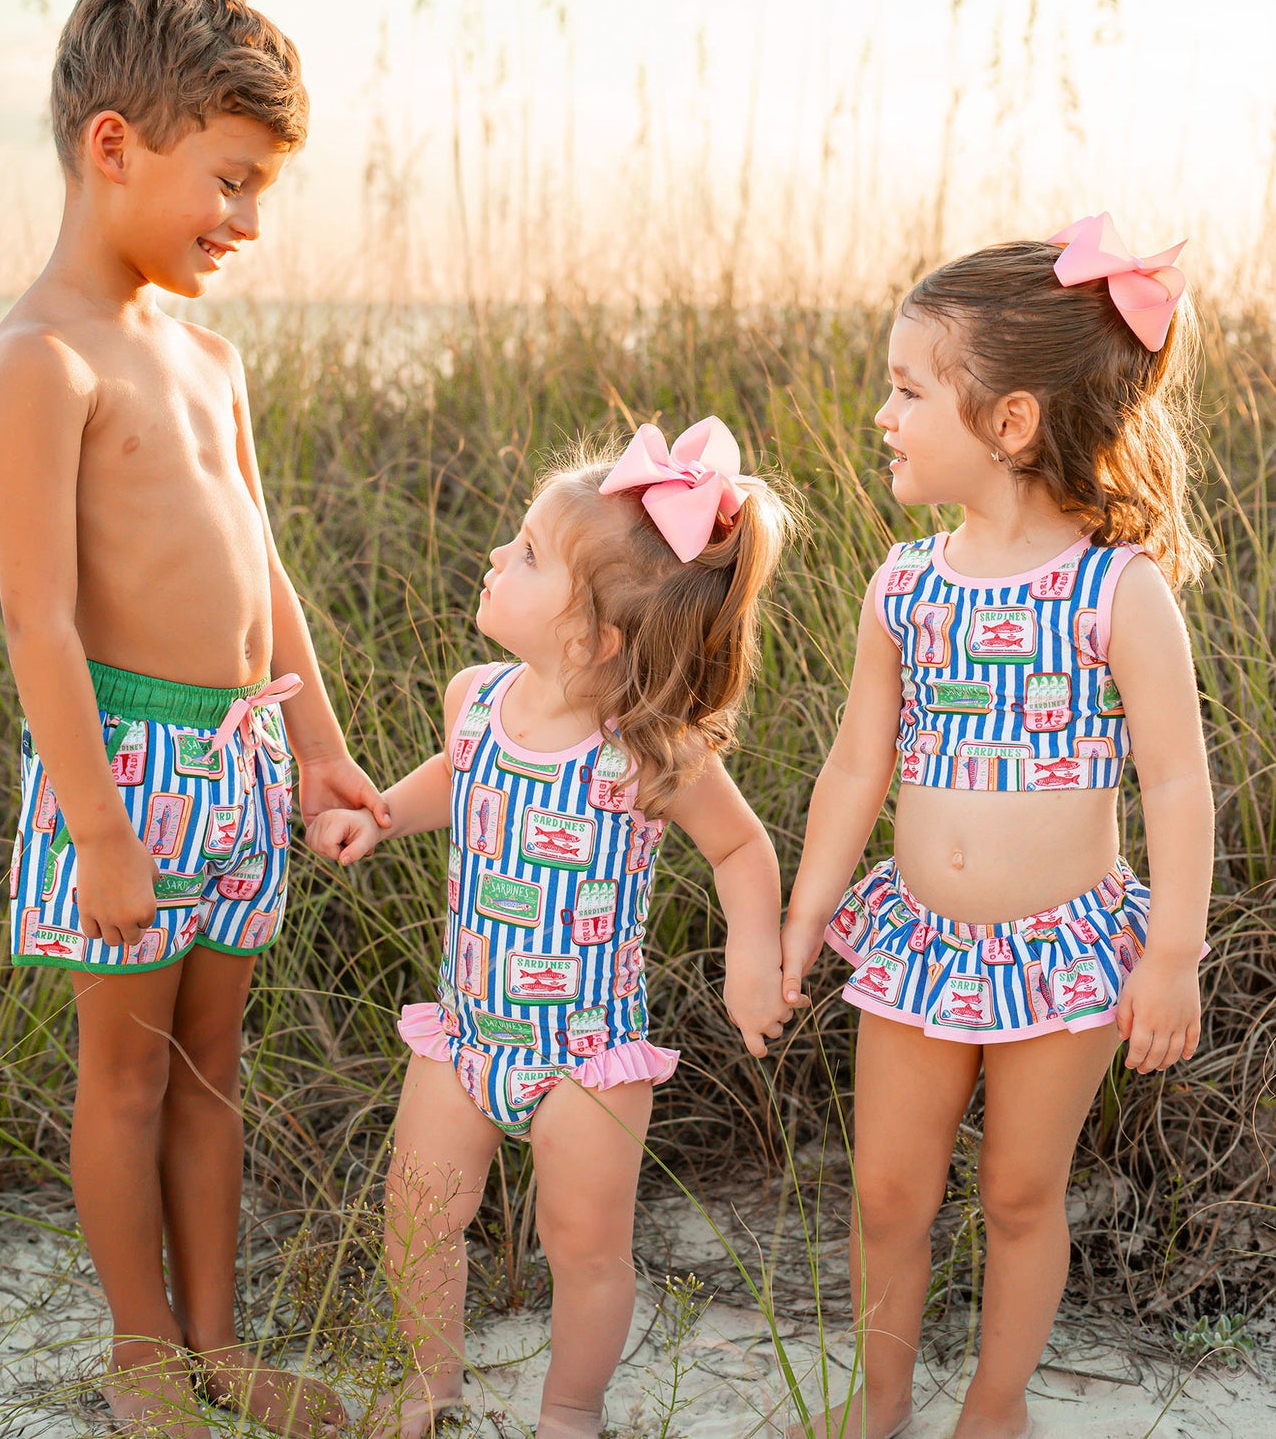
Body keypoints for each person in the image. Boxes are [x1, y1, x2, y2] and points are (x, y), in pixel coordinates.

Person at [0, 0, 387, 1434]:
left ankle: (221, 1346)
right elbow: (41, 623)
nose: (247, 223)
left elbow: (262, 567)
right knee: (127, 1075)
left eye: (259, 190)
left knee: (212, 1071)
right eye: (230, 181)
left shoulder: (209, 359)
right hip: (125, 767)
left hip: (240, 756)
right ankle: (141, 1352)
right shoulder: (44, 361)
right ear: (112, 147)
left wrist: (323, 750)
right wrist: (96, 827)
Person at [780, 215, 1215, 1439]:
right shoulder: (903, 585)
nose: (884, 411)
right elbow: (856, 762)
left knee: (1022, 1194)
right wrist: (807, 914)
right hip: (918, 944)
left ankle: (994, 1403)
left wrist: (1170, 948)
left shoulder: (1115, 591)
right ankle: (876, 1405)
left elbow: (1177, 782)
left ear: (1009, 421)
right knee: (884, 1195)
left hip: (1062, 948)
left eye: (909, 388)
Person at [309, 418, 797, 1438]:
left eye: (526, 553)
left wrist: (750, 958)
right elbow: (459, 777)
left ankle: (569, 1409)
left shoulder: (648, 755)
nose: (496, 553)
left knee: (583, 1245)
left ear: (594, 638)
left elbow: (741, 850)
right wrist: (383, 812)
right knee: (418, 1215)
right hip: (465, 1030)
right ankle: (422, 1384)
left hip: (587, 1053)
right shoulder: (475, 700)